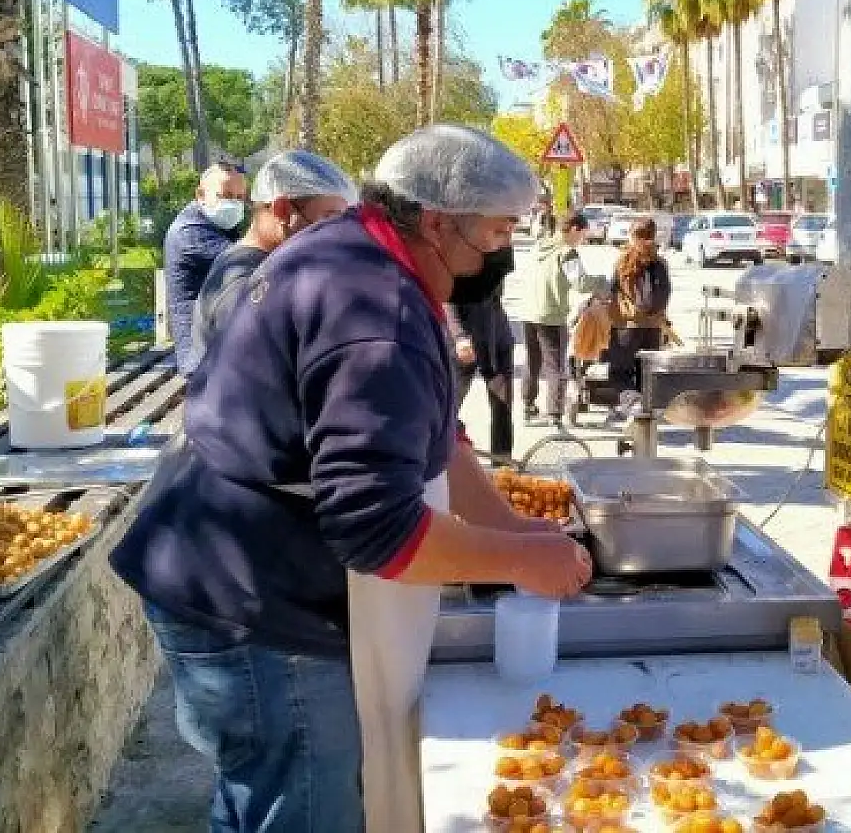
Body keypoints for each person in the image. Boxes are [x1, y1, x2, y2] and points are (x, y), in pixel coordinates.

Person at [111, 125, 593, 833]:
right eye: (494, 234)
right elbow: (378, 532)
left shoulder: (362, 252)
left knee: (259, 793)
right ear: (436, 221)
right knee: (304, 802)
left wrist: (509, 525)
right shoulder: (378, 312)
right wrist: (519, 559)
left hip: (224, 561)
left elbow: (436, 433)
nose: (502, 255)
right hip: (252, 599)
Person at [183, 150, 356, 377]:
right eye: (329, 220)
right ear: (283, 210)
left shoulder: (269, 267)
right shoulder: (243, 287)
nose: (336, 235)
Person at [163, 162, 246, 371]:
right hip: (202, 360)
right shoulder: (190, 231)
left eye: (239, 197)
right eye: (225, 195)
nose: (234, 203)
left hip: (216, 350)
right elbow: (246, 260)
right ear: (201, 195)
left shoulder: (217, 226)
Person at [517, 212, 592, 426]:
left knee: (532, 361)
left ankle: (528, 407)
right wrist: (604, 284)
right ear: (575, 230)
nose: (583, 240)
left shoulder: (540, 247)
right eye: (583, 234)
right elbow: (581, 283)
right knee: (556, 366)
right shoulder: (568, 253)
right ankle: (554, 414)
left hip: (529, 312)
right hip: (551, 314)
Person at [445, 244, 518, 464]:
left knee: (502, 403)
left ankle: (502, 462)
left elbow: (495, 296)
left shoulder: (503, 249)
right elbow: (447, 299)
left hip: (497, 339)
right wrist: (459, 336)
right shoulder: (459, 248)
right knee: (449, 404)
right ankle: (442, 459)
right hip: (465, 341)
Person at [604, 217, 672, 397]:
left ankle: (630, 405)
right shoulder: (660, 263)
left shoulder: (624, 261)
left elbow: (612, 290)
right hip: (653, 326)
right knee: (647, 372)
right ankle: (646, 410)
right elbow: (665, 294)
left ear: (634, 236)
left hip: (627, 326)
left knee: (620, 372)